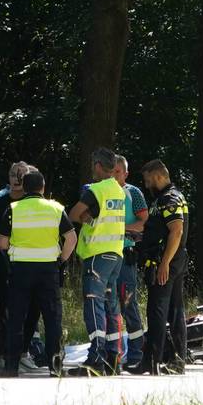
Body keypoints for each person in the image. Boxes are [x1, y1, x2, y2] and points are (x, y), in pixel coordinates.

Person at [0, 170, 76, 377]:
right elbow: (71, 238)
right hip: (48, 269)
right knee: (52, 319)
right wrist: (61, 261)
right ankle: (55, 367)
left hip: (20, 270)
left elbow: (2, 243)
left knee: (16, 318)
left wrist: (10, 263)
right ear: (43, 187)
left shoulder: (13, 209)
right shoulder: (56, 209)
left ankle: (11, 367)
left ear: (23, 187)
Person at [66, 148, 128, 376]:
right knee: (111, 305)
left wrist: (86, 217)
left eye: (94, 166)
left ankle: (96, 357)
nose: (92, 169)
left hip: (97, 254)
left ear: (99, 166)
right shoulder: (120, 191)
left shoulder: (97, 190)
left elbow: (74, 214)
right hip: (116, 253)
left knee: (93, 303)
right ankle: (113, 358)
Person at [129, 159, 190, 376]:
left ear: (157, 177)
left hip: (166, 262)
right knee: (174, 311)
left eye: (147, 180)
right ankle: (174, 361)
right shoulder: (164, 198)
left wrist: (164, 263)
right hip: (170, 260)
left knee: (157, 311)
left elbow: (176, 231)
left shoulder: (170, 198)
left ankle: (152, 362)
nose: (146, 185)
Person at [0, 162, 32, 366]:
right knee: (5, 307)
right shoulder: (0, 202)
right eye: (13, 173)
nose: (16, 178)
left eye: (20, 174)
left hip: (29, 263)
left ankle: (23, 352)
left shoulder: (33, 202)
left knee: (28, 309)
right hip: (4, 263)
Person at [112, 155, 149, 372]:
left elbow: (144, 222)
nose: (115, 175)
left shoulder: (133, 192)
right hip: (104, 254)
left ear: (126, 173)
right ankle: (113, 353)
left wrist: (123, 231)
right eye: (112, 171)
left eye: (118, 172)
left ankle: (137, 352)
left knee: (127, 302)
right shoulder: (100, 191)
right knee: (109, 305)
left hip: (126, 255)